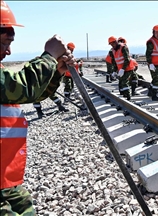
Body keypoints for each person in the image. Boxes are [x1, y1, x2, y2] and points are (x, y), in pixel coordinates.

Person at [0, 1, 75, 214]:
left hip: (3, 179)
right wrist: (49, 56)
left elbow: (33, 93)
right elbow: (24, 87)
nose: (9, 50)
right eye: (5, 42)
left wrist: (57, 71)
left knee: (24, 206)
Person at [145, 25, 158, 101]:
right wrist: (150, 63)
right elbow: (148, 54)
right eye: (157, 32)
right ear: (153, 32)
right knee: (157, 80)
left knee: (154, 79)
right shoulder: (151, 41)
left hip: (157, 64)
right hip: (153, 64)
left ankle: (150, 91)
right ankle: (154, 96)